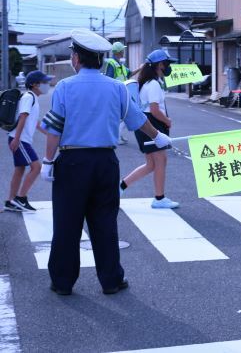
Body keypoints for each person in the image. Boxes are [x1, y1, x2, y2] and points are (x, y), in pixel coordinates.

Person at [40, 29, 172, 296]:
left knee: (67, 223)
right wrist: (158, 137)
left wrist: (47, 161)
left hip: (73, 161)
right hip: (105, 162)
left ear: (76, 59)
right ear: (101, 60)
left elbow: (54, 129)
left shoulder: (64, 87)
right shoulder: (117, 88)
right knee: (104, 222)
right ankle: (111, 280)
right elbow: (138, 119)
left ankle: (63, 282)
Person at [119, 49, 178, 209]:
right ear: (160, 65)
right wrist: (167, 120)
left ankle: (121, 186)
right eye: (167, 63)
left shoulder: (148, 83)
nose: (168, 66)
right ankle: (159, 198)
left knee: (152, 164)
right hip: (152, 124)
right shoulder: (153, 85)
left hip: (145, 124)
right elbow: (154, 110)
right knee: (160, 161)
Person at [5, 70, 54, 213]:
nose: (47, 84)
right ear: (34, 84)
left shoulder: (33, 98)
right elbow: (23, 117)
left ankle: (10, 201)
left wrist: (50, 135)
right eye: (44, 82)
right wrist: (17, 138)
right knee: (36, 167)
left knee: (19, 169)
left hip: (20, 139)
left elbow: (35, 123)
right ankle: (21, 198)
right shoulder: (28, 97)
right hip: (20, 140)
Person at [104, 42, 131, 145]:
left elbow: (130, 73)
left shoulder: (120, 64)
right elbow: (109, 79)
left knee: (120, 117)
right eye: (123, 50)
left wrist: (142, 68)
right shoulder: (112, 63)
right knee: (122, 117)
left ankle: (118, 136)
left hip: (121, 93)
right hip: (116, 94)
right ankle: (117, 137)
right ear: (119, 52)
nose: (124, 52)